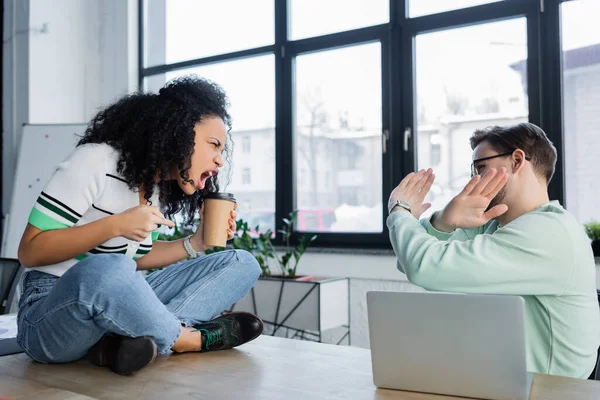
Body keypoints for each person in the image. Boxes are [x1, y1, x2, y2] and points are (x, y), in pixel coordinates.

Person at [16, 76, 263, 375]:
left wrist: (195, 244)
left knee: (242, 262)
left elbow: (136, 258)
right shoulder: (95, 161)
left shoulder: (154, 187)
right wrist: (116, 225)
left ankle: (132, 340)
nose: (220, 160)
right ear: (177, 133)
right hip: (48, 312)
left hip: (111, 299)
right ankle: (184, 338)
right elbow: (29, 251)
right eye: (214, 145)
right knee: (112, 268)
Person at [386, 122, 600, 379]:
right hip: (503, 381)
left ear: (517, 160)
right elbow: (408, 259)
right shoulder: (494, 225)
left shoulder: (550, 232)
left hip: (549, 391)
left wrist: (400, 211)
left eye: (481, 167)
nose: (474, 179)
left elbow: (425, 267)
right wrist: (443, 221)